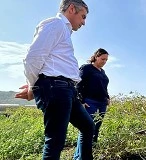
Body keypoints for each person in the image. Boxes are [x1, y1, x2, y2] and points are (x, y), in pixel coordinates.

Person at [15, 0, 95, 159]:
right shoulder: (56, 24)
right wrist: (32, 86)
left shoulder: (64, 31)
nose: (84, 22)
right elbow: (32, 58)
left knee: (88, 126)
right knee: (55, 141)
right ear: (72, 8)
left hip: (67, 89)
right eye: (83, 16)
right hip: (55, 87)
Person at [74, 48, 110, 158]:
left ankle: (82, 155)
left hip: (102, 103)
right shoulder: (87, 68)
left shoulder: (102, 72)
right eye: (102, 59)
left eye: (106, 60)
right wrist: (81, 101)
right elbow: (78, 84)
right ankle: (81, 157)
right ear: (96, 57)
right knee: (86, 130)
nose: (104, 61)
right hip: (90, 102)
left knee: (96, 129)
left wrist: (107, 97)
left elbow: (103, 87)